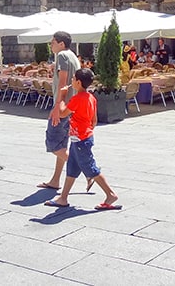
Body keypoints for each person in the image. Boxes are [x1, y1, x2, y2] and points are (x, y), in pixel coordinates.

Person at [44, 68, 121, 210]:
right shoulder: (91, 98)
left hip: (80, 140)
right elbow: (94, 120)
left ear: (78, 82)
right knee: (72, 168)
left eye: (73, 79)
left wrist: (61, 96)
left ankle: (110, 194)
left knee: (91, 169)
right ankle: (63, 198)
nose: (71, 81)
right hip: (81, 138)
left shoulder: (76, 99)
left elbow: (62, 114)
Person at [38, 31, 81, 191]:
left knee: (54, 144)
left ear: (61, 43)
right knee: (62, 144)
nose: (51, 45)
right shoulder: (73, 56)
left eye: (53, 42)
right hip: (71, 106)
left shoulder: (62, 56)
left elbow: (63, 82)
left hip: (63, 106)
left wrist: (57, 106)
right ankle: (55, 180)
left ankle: (87, 171)